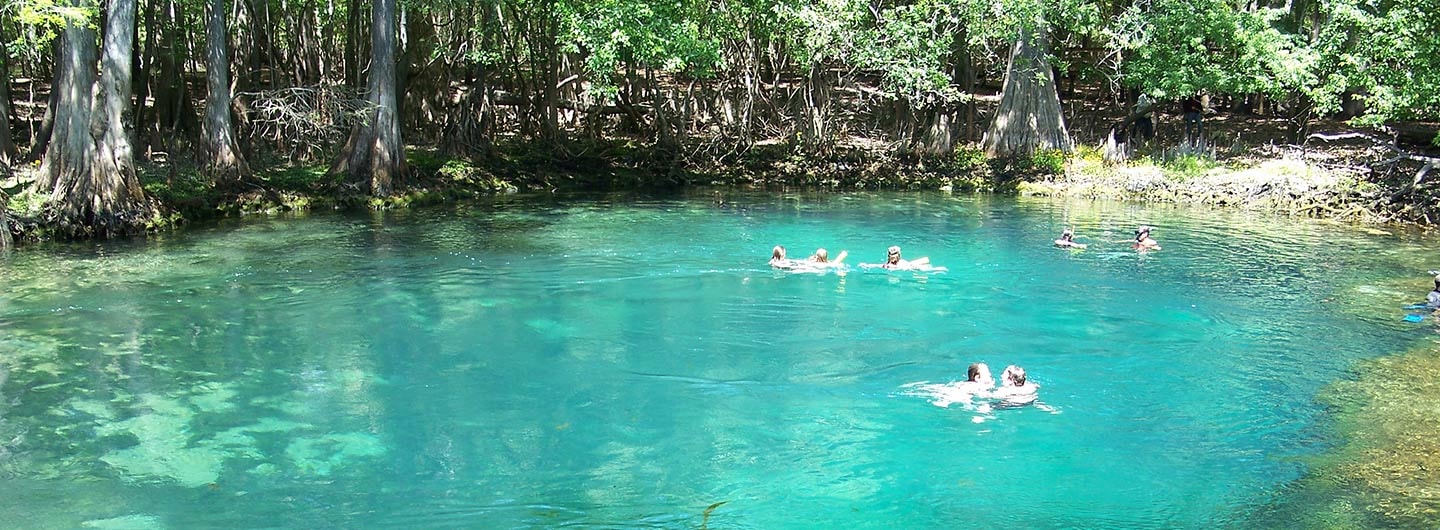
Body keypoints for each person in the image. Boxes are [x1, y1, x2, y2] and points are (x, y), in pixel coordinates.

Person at [861, 245, 932, 270]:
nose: (891, 257)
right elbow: (879, 265)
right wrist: (868, 265)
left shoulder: (902, 263)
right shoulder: (887, 265)